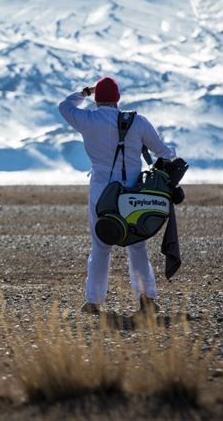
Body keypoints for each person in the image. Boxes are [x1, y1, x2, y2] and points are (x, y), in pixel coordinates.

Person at [58, 77, 177, 315]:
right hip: (133, 193)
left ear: (97, 98)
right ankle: (146, 300)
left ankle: (93, 302)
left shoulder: (88, 120)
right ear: (118, 98)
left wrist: (83, 92)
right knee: (137, 245)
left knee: (101, 246)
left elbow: (64, 106)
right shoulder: (138, 122)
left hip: (101, 191)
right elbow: (165, 153)